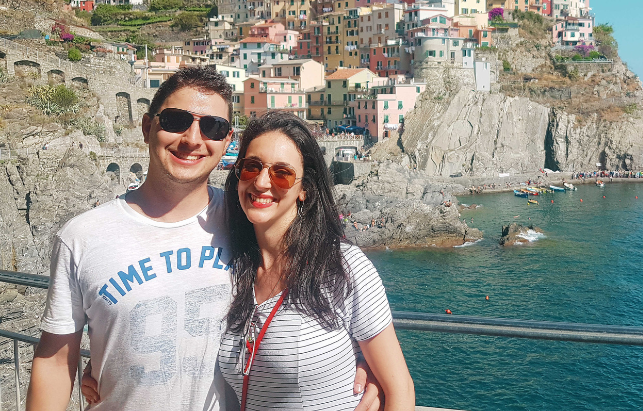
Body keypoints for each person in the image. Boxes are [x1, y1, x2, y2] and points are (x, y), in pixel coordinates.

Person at [28, 68, 381, 411]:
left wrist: (363, 361)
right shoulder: (82, 237)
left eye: (213, 127)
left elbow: (322, 288)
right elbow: (56, 364)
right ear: (148, 126)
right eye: (176, 121)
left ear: (227, 142)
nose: (193, 139)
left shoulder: (247, 220)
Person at [217, 112, 415, 410]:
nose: (260, 182)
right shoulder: (228, 267)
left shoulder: (344, 267)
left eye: (281, 173)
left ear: (304, 189)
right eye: (251, 167)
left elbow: (400, 389)